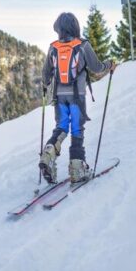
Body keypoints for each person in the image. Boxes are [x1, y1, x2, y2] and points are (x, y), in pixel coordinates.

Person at [40, 12, 116, 184]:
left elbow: (46, 74)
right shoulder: (83, 45)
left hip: (59, 96)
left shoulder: (53, 47)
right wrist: (109, 65)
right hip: (77, 97)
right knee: (76, 129)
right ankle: (77, 169)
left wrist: (45, 85)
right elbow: (96, 68)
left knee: (61, 127)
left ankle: (49, 151)